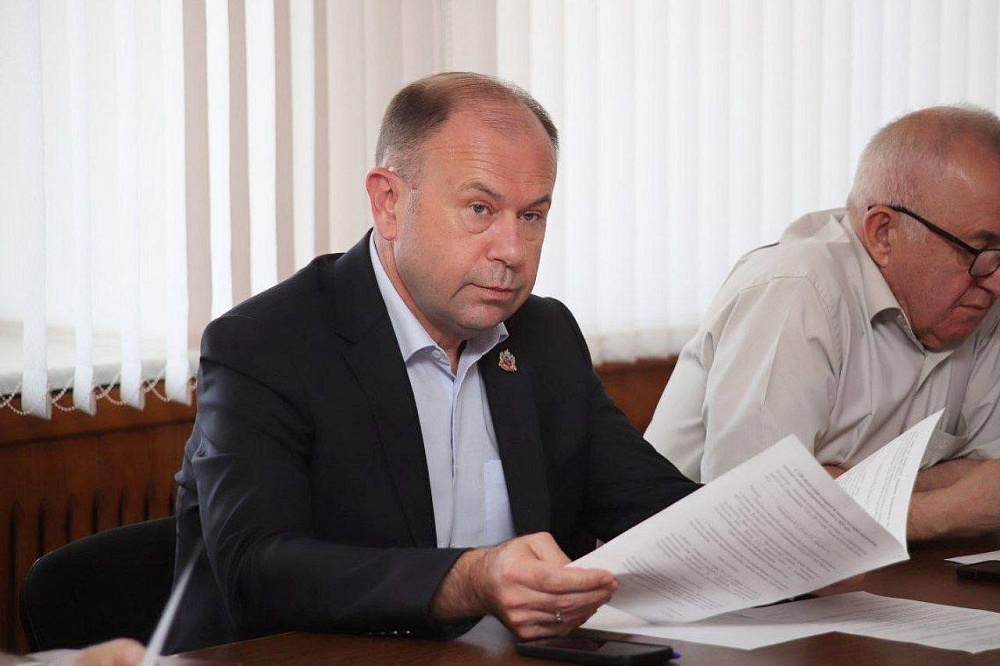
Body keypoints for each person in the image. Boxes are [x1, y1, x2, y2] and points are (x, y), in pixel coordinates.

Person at [165, 72, 700, 653]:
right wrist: (471, 578)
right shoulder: (265, 345)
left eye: (531, 216)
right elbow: (259, 570)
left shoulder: (544, 336)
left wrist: (769, 527)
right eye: (479, 209)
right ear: (389, 203)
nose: (512, 251)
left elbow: (660, 513)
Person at [645, 105, 1000, 542]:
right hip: (692, 574)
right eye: (980, 251)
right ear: (884, 233)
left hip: (869, 572)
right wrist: (945, 509)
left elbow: (990, 478)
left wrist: (836, 488)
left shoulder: (977, 299)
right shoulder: (796, 289)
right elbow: (755, 513)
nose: (996, 281)